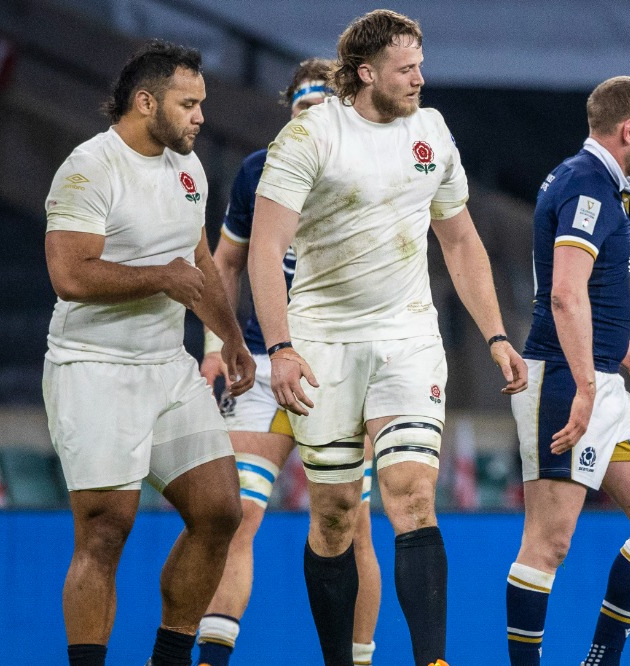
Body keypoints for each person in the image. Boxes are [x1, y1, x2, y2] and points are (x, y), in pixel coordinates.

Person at [247, 10, 527, 666]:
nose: (420, 79)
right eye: (406, 69)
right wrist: (281, 348)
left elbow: (459, 240)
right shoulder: (312, 137)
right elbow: (266, 249)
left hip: (407, 340)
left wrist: (495, 336)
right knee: (337, 513)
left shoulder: (431, 131)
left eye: (421, 65)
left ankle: (433, 658)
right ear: (366, 73)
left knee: (410, 495)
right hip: (324, 345)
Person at [42, 40, 255, 666]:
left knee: (220, 512)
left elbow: (197, 264)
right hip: (93, 367)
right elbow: (70, 275)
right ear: (145, 102)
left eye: (202, 104)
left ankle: (169, 659)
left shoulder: (188, 170)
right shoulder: (89, 168)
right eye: (188, 104)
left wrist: (231, 341)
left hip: (168, 368)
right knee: (105, 532)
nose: (200, 117)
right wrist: (160, 277)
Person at [195, 59, 381, 666]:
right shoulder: (258, 172)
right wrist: (213, 348)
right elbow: (224, 263)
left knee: (352, 526)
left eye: (322, 105)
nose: (311, 117)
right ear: (289, 112)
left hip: (346, 370)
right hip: (263, 368)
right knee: (232, 517)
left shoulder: (377, 171)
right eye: (301, 107)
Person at [505, 75, 630, 666]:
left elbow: (590, 297)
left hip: (600, 378)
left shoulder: (600, 185)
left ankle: (601, 658)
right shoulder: (587, 187)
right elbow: (564, 295)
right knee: (548, 543)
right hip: (564, 378)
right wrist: (585, 385)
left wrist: (629, 359)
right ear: (629, 129)